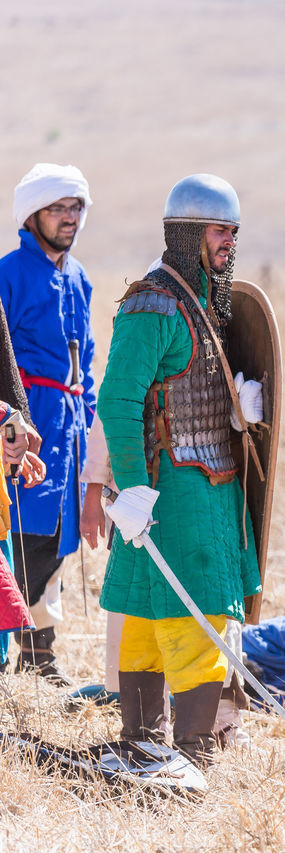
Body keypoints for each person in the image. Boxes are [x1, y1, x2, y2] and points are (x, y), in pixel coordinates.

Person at [97, 174, 264, 765]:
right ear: (187, 232)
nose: (229, 242)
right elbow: (118, 399)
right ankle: (184, 753)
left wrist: (241, 412)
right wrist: (133, 486)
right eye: (220, 230)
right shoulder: (153, 304)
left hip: (208, 486)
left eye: (234, 232)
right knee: (178, 617)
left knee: (163, 611)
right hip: (171, 489)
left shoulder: (204, 302)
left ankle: (155, 747)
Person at [0, 163, 96, 682]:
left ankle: (40, 656)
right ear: (31, 214)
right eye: (57, 208)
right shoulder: (7, 273)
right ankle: (7, 652)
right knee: (14, 533)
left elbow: (88, 364)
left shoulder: (80, 278)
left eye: (75, 207)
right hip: (20, 422)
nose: (68, 218)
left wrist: (94, 428)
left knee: (56, 538)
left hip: (69, 425)